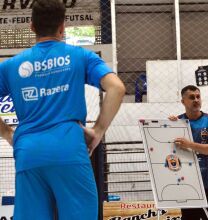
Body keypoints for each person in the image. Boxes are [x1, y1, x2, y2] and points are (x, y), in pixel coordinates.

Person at [0, 0, 125, 219]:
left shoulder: (11, 66)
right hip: (69, 149)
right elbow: (117, 88)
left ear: (32, 26)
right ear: (62, 26)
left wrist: (8, 134)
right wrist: (97, 131)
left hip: (28, 152)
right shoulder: (81, 56)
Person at [169, 85, 208, 220]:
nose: (196, 100)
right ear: (183, 102)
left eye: (198, 97)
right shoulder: (177, 122)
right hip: (187, 183)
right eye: (192, 97)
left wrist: (190, 145)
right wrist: (167, 126)